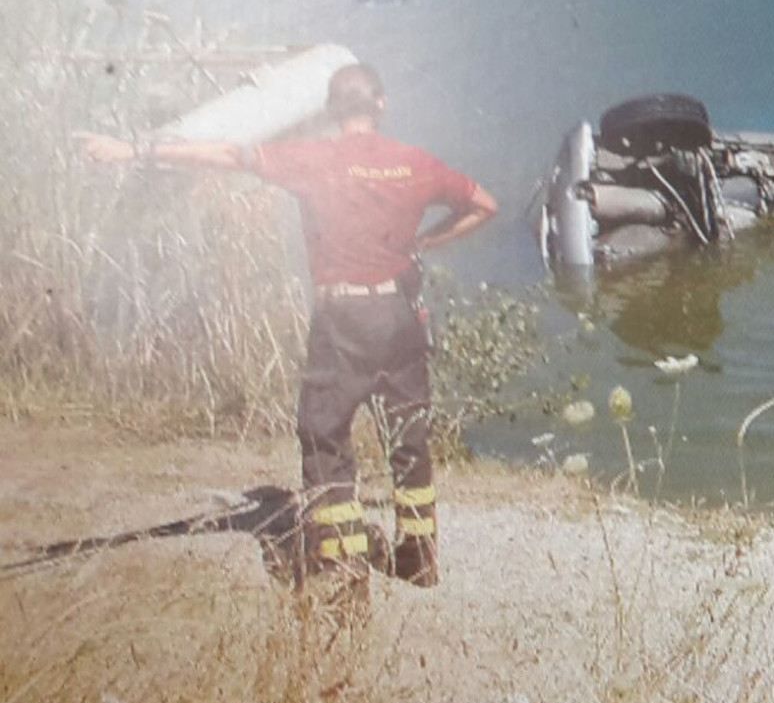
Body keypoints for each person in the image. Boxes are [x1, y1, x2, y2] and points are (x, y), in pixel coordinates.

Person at [76, 63, 497, 601]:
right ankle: (419, 559)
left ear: (330, 110)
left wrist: (135, 150)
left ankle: (342, 564)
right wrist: (426, 244)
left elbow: (229, 154)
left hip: (342, 320)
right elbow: (485, 205)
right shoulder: (415, 162)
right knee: (408, 436)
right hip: (397, 315)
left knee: (324, 432)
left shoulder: (315, 159)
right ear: (382, 104)